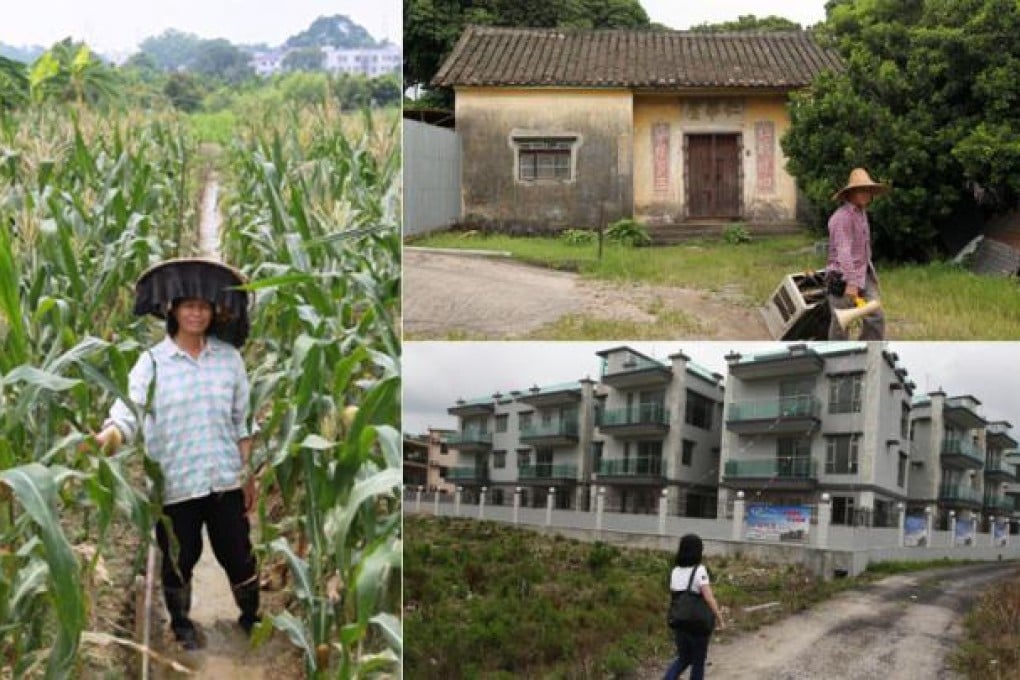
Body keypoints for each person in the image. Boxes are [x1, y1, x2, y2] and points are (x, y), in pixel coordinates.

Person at [91, 258, 258, 650]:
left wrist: (248, 472)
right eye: (188, 305)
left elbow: (243, 422)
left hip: (223, 479)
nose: (196, 313)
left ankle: (251, 617)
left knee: (238, 554)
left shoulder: (230, 360)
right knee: (179, 561)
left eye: (203, 305)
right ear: (172, 310)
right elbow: (128, 414)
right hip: (175, 485)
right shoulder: (151, 364)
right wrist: (109, 436)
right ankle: (182, 625)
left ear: (214, 311)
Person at [826, 167, 889, 340]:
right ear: (851, 193)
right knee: (841, 324)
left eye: (868, 190)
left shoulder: (861, 214)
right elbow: (843, 251)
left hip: (863, 274)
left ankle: (866, 351)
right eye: (861, 190)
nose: (866, 194)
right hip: (842, 278)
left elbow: (863, 250)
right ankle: (838, 358)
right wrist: (852, 282)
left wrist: (870, 275)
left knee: (876, 317)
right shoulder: (841, 218)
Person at [664, 534, 724, 680]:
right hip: (697, 623)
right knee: (698, 661)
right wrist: (720, 618)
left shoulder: (675, 571)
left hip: (679, 621)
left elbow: (675, 597)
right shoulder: (699, 570)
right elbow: (708, 597)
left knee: (684, 658)